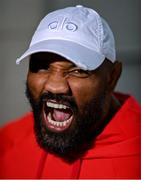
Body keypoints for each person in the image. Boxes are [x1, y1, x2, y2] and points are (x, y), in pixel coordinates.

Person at [0, 5, 141, 179]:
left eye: (78, 70)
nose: (55, 86)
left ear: (112, 77)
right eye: (42, 67)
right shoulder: (8, 143)